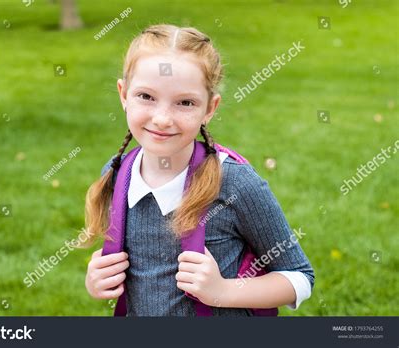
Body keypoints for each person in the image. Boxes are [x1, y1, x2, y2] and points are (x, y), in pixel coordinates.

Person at [82, 24, 314, 316]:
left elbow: (299, 277)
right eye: (146, 96)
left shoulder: (233, 183)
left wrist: (223, 291)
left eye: (185, 102)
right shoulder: (118, 176)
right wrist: (96, 280)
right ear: (123, 94)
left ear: (210, 109)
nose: (163, 118)